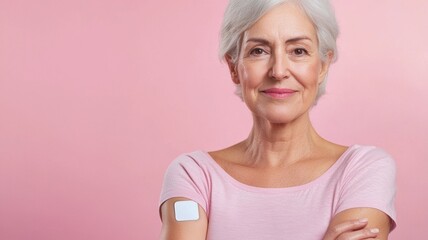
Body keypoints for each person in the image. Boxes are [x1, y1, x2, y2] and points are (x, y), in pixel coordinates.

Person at [159, 0, 397, 239]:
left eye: (298, 51)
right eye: (259, 51)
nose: (279, 70)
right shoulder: (194, 175)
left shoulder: (362, 169)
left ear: (323, 65)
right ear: (234, 67)